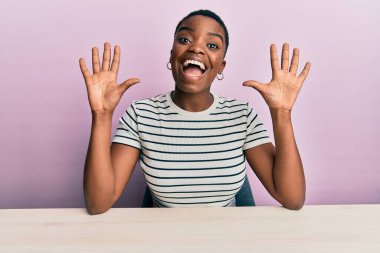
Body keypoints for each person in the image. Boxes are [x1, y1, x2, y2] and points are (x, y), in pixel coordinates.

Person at [79, 10, 311, 214]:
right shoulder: (141, 115)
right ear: (172, 55)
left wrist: (281, 113)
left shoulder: (242, 116)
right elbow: (98, 203)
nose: (196, 47)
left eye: (212, 45)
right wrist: (101, 115)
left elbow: (292, 198)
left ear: (221, 66)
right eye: (184, 38)